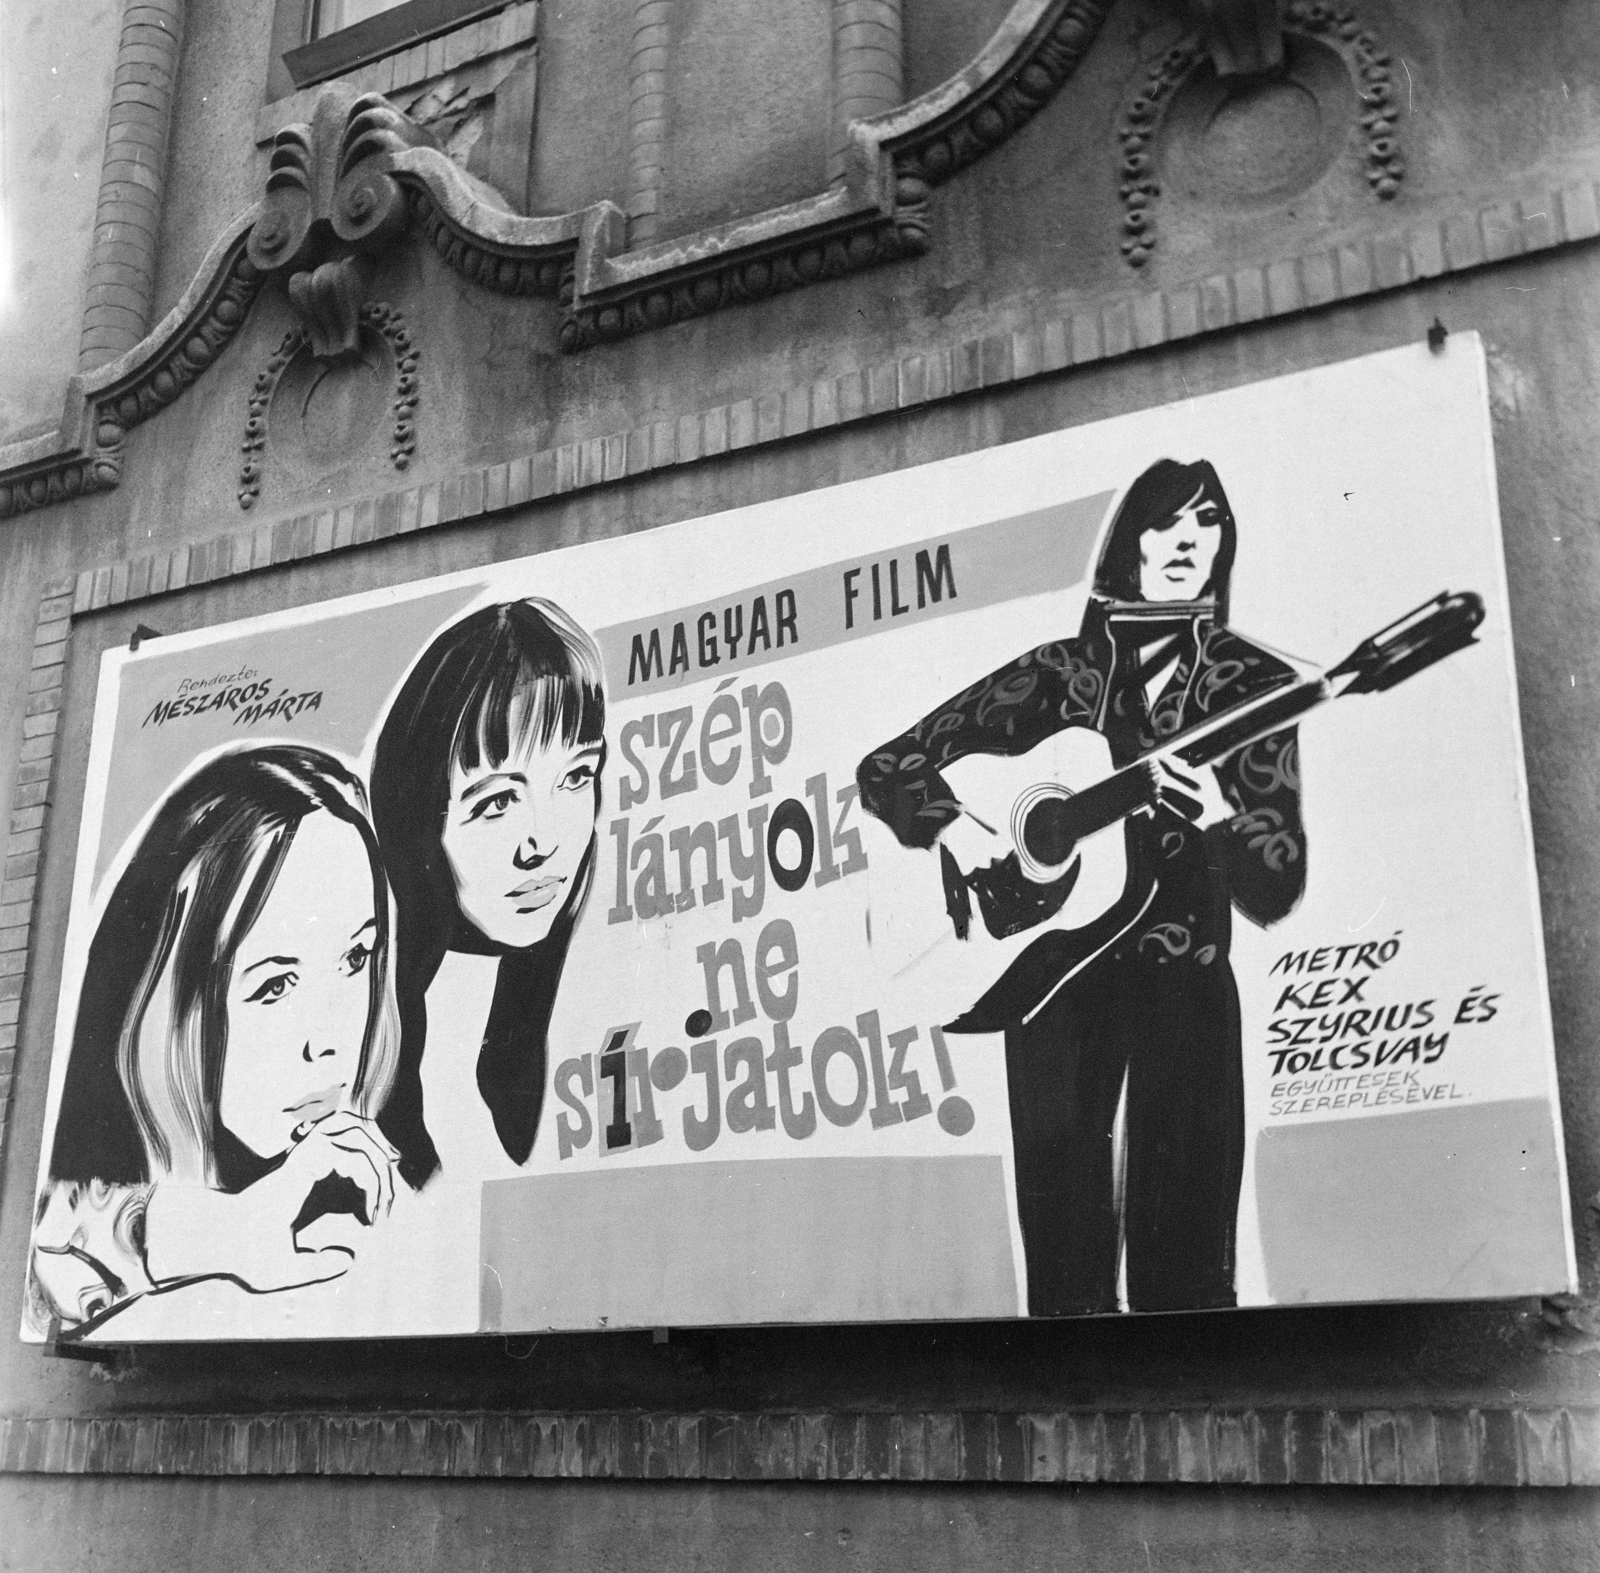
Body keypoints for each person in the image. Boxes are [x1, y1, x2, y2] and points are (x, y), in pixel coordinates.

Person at [857, 458, 1306, 1315]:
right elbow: (890, 764)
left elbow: (1279, 882)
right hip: (1054, 987)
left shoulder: (1253, 685)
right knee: (1065, 1284)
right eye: (1167, 522)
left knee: (1187, 1286)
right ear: (1129, 542)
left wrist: (1222, 820)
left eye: (1208, 522)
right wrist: (966, 831)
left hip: (1186, 985)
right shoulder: (1059, 678)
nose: (1189, 540)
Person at [29, 745, 401, 1337]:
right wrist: (229, 1230)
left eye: (356, 958)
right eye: (275, 985)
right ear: (171, 1012)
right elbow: (46, 1254)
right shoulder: (69, 1224)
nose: (329, 1042)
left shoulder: (367, 1189)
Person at [369, 598, 607, 1187]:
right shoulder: (373, 1022)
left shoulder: (576, 970)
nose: (544, 843)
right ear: (421, 819)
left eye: (576, 777)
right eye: (498, 801)